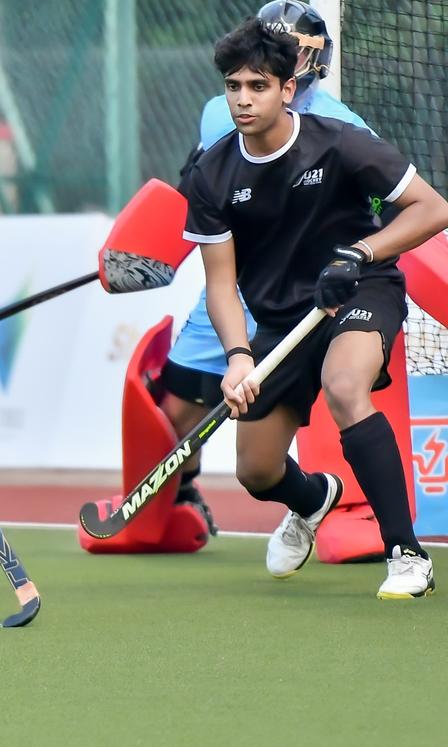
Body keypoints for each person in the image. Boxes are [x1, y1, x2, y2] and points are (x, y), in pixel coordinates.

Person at [181, 18, 448, 598]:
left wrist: (360, 252)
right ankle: (312, 499)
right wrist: (236, 357)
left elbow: (432, 208)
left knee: (344, 384)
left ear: (286, 87)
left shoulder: (339, 142)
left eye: (258, 86)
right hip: (283, 319)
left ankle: (406, 553)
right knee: (255, 470)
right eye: (233, 87)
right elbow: (221, 283)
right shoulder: (212, 175)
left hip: (360, 288)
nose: (244, 99)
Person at [164, 0, 368, 533]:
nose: (281, 61)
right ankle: (184, 499)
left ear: (314, 62)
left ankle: (341, 506)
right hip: (236, 282)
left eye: (296, 52)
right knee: (177, 410)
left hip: (304, 294)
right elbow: (204, 190)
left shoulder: (342, 125)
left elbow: (382, 207)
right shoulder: (220, 110)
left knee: (315, 403)